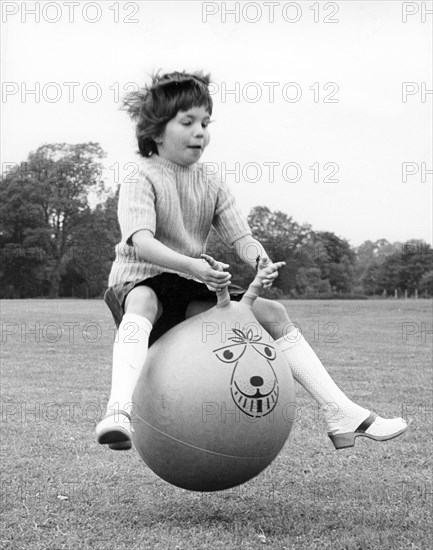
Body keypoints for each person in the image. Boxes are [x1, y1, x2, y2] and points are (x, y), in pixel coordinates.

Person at [96, 70, 407, 451]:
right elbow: (141, 242)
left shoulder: (212, 181)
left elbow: (241, 236)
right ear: (157, 131)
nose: (200, 132)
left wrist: (260, 259)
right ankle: (117, 412)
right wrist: (192, 265)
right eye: (188, 122)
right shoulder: (139, 176)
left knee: (273, 312)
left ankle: (341, 412)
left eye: (206, 123)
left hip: (189, 283)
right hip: (140, 280)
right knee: (145, 300)